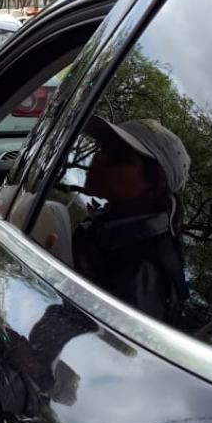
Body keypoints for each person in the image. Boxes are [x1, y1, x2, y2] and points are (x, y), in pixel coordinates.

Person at [73, 116, 191, 323]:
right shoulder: (110, 225)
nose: (99, 157)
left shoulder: (142, 272)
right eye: (104, 147)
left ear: (154, 186)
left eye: (119, 156)